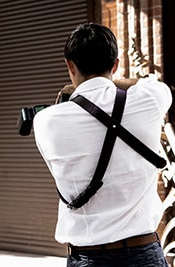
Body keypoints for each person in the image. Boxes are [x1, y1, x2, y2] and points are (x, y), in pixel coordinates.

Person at [33, 23, 171, 266]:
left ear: (69, 65)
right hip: (144, 254)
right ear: (115, 65)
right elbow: (152, 83)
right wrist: (112, 83)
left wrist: (76, 92)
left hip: (87, 258)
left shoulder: (45, 121)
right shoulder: (150, 100)